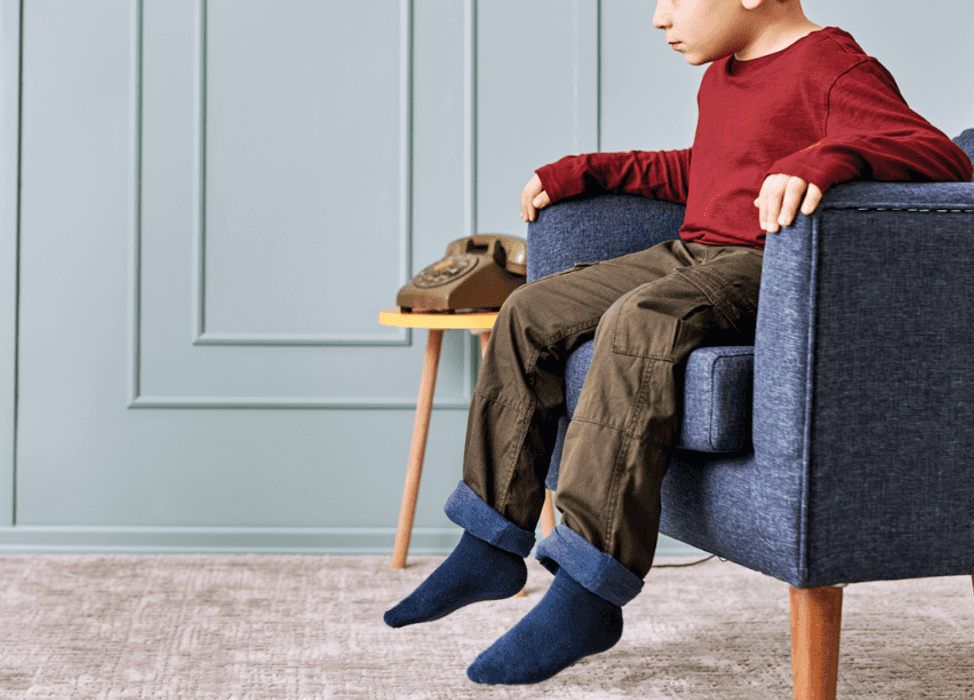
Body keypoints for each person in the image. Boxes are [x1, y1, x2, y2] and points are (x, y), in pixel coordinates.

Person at [383, 0, 973, 686]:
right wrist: (589, 170)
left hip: (765, 265)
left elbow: (935, 156)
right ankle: (488, 537)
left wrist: (828, 159)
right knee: (527, 312)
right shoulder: (724, 71)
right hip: (690, 251)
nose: (660, 17)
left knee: (641, 322)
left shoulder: (835, 66)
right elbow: (706, 170)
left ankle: (586, 589)